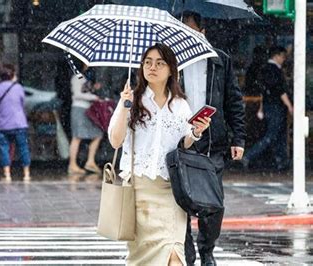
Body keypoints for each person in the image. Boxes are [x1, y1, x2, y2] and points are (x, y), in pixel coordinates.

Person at [108, 43, 211, 266]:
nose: (152, 67)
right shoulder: (133, 99)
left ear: (171, 69)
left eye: (159, 63)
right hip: (139, 191)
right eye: (148, 62)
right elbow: (115, 140)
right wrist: (125, 106)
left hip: (171, 191)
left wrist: (196, 131)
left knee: (174, 255)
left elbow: (184, 142)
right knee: (142, 259)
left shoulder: (181, 105)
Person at [181, 12, 246, 266]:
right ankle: (186, 251)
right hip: (180, 141)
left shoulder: (220, 60)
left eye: (191, 31)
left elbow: (234, 101)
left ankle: (207, 249)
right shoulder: (170, 63)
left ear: (203, 31)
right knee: (180, 200)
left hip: (212, 142)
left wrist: (238, 138)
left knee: (214, 203)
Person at [243, 46, 293, 171]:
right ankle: (249, 156)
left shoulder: (265, 69)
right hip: (276, 106)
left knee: (276, 135)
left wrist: (261, 108)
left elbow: (263, 91)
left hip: (268, 105)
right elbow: (280, 90)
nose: (283, 59)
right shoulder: (275, 70)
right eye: (282, 56)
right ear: (276, 56)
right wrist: (289, 106)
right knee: (272, 135)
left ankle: (281, 161)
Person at [0, 63, 31, 182]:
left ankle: (7, 174)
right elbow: (23, 103)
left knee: (3, 149)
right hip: (19, 123)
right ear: (13, 75)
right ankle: (26, 174)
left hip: (2, 124)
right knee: (23, 147)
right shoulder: (18, 88)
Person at [68, 65, 103, 175]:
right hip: (79, 109)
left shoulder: (84, 78)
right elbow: (77, 94)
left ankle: (90, 161)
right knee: (77, 137)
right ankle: (72, 164)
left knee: (98, 134)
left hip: (87, 110)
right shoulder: (77, 78)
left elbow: (84, 91)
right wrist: (93, 97)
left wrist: (93, 89)